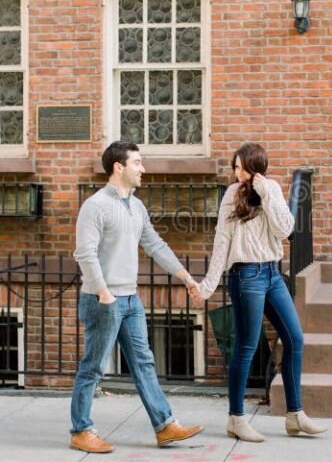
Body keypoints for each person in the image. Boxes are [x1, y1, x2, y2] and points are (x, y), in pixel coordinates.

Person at [70, 141, 204, 453]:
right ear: (119, 167)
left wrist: (185, 277)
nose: (143, 169)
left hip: (130, 299)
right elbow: (85, 253)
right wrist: (103, 291)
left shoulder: (136, 206)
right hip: (103, 299)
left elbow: (155, 245)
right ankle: (80, 430)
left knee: (144, 362)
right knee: (93, 366)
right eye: (138, 163)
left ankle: (165, 425)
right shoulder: (96, 206)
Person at [190, 143, 327, 442]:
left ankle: (295, 415)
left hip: (272, 274)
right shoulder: (231, 195)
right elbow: (221, 241)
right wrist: (208, 286)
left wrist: (265, 193)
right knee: (247, 346)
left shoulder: (273, 189)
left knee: (295, 339)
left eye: (241, 167)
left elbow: (285, 229)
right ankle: (236, 418)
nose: (236, 172)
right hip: (246, 275)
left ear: (255, 166)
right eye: (234, 167)